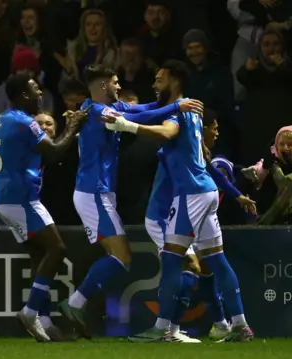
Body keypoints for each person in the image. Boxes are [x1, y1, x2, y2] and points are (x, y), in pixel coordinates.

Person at [106, 60, 254, 342]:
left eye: (159, 79)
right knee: (218, 261)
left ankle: (162, 329)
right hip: (206, 191)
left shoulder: (180, 109)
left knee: (173, 262)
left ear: (174, 80)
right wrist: (123, 111)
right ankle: (240, 325)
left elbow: (166, 132)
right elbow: (149, 113)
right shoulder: (190, 110)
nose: (154, 85)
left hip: (190, 193)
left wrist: (126, 126)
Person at [58, 64, 203, 339]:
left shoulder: (104, 108)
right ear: (102, 86)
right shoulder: (99, 112)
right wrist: (176, 108)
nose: (119, 87)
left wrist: (172, 105)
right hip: (93, 192)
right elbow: (149, 116)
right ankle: (75, 303)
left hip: (100, 192)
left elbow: (142, 109)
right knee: (121, 255)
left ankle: (76, 303)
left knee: (118, 255)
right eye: (114, 82)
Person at [0, 74, 90, 342]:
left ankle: (45, 322)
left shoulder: (0, 120)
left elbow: (24, 158)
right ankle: (31, 311)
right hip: (21, 197)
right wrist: (73, 125)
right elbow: (55, 151)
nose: (40, 96)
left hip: (5, 197)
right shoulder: (25, 122)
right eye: (35, 91)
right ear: (23, 95)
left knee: (40, 256)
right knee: (57, 249)